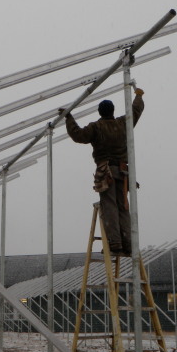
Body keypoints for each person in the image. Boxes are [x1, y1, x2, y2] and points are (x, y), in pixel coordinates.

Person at [60, 88, 145, 256]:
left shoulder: (97, 127)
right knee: (123, 207)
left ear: (100, 112)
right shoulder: (122, 124)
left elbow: (78, 135)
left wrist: (68, 117)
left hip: (106, 172)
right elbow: (135, 111)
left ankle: (115, 243)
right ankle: (128, 244)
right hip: (123, 172)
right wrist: (138, 96)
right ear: (113, 111)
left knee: (110, 207)